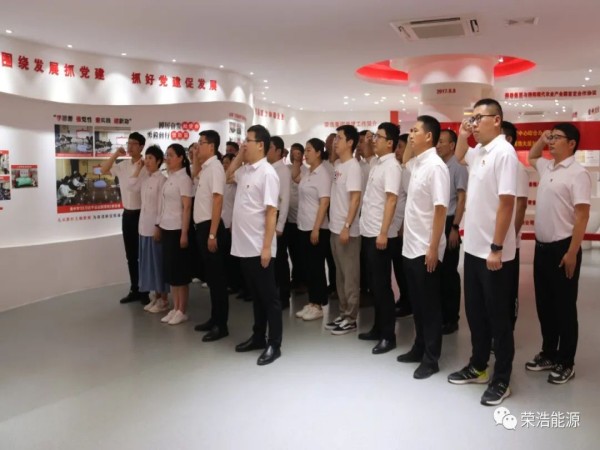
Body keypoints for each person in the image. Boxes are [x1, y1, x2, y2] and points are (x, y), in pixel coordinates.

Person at [448, 98, 518, 406]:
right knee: (475, 314)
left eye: (479, 118)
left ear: (497, 120)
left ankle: (502, 378)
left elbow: (507, 203)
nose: (474, 123)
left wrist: (497, 247)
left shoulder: (504, 153)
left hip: (494, 253)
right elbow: (458, 155)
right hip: (474, 250)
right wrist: (463, 134)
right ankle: (478, 366)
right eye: (472, 118)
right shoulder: (479, 152)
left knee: (499, 319)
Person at [527, 123, 591, 384]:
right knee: (545, 306)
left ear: (572, 144)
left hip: (563, 249)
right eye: (550, 137)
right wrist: (542, 139)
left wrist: (572, 251)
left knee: (564, 308)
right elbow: (532, 155)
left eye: (556, 138)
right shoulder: (547, 167)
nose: (551, 141)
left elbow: (582, 215)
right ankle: (549, 353)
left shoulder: (578, 173)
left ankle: (566, 362)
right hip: (541, 249)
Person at [227, 125, 282, 366]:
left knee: (269, 298)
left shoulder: (267, 173)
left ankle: (274, 343)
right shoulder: (246, 170)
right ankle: (258, 336)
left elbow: (271, 212)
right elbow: (228, 175)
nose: (243, 144)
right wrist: (240, 154)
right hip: (244, 247)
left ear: (261, 145)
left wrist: (267, 247)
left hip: (260, 247)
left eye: (247, 141)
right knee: (256, 297)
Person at [399, 116, 450, 379]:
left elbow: (441, 209)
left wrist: (433, 248)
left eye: (415, 130)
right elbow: (404, 159)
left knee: (429, 307)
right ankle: (418, 347)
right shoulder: (417, 164)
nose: (410, 135)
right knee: (417, 305)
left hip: (425, 249)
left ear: (429, 136)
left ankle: (431, 358)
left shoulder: (436, 167)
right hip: (410, 246)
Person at [358, 122, 402, 355]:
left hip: (380, 235)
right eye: (374, 136)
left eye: (379, 137)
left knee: (382, 287)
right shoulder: (377, 163)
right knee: (374, 285)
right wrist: (368, 140)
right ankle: (377, 328)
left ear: (390, 143)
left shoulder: (392, 166)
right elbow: (366, 151)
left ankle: (388, 335)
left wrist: (384, 232)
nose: (374, 140)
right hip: (369, 232)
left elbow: (391, 200)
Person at [101, 132, 149, 304]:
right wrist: (116, 154)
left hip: (142, 214)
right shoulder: (123, 165)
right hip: (127, 214)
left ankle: (145, 290)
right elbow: (103, 169)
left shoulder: (146, 166)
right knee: (131, 255)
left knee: (143, 254)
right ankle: (134, 288)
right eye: (129, 143)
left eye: (134, 143)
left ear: (141, 147)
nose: (130, 146)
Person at [191, 130, 230, 342]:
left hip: (211, 228)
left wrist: (213, 234)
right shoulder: (206, 168)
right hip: (203, 227)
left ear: (212, 146)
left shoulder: (215, 168)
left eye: (201, 142)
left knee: (218, 280)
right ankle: (214, 319)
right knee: (212, 279)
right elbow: (194, 174)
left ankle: (221, 325)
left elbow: (217, 200)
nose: (198, 146)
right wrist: (195, 157)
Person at [326, 125, 362, 335]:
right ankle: (343, 312)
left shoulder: (353, 167)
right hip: (334, 228)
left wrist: (347, 226)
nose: (335, 141)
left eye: (339, 138)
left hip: (347, 231)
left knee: (350, 277)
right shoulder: (338, 164)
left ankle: (351, 317)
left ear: (350, 142)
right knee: (339, 276)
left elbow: (355, 199)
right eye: (335, 138)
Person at [293, 138, 332, 321]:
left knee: (316, 267)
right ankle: (312, 301)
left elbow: (324, 202)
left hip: (316, 228)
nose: (306, 153)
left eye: (308, 150)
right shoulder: (308, 172)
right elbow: (295, 177)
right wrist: (297, 160)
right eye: (305, 150)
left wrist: (316, 228)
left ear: (318, 153)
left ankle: (318, 304)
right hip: (303, 226)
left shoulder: (322, 174)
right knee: (308, 267)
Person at [128, 145, 169, 313]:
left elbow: (162, 207)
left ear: (159, 161)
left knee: (158, 265)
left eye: (151, 158)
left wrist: (158, 226)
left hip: (154, 228)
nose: (147, 161)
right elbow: (131, 186)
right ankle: (156, 297)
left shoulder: (162, 180)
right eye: (146, 158)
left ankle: (163, 299)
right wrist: (138, 168)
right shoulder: (145, 178)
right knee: (149, 265)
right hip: (143, 228)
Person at [435, 129, 468, 335]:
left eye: (441, 142)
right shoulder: (438, 165)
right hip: (437, 222)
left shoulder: (458, 166)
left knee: (449, 273)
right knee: (437, 272)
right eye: (437, 142)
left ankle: (451, 318)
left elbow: (461, 198)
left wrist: (455, 227)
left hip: (450, 223)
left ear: (452, 145)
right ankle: (440, 315)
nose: (437, 145)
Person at [156, 144, 193, 326]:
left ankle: (182, 310)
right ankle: (175, 307)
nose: (167, 158)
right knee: (171, 270)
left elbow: (187, 208)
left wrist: (184, 233)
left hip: (178, 229)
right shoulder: (170, 177)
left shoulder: (184, 179)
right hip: (167, 228)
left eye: (171, 155)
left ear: (180, 158)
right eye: (167, 155)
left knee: (180, 272)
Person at [501, 121, 528, 329]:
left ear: (508, 139)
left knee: (507, 291)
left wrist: (510, 237)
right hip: (495, 241)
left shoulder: (517, 168)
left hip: (508, 245)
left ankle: (506, 330)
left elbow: (520, 206)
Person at [267, 136, 292, 310]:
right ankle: (274, 293)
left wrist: (280, 225)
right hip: (268, 217)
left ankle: (283, 296)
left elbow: (285, 199)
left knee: (280, 259)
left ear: (278, 151)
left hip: (277, 219)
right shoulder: (268, 168)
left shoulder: (282, 170)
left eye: (269, 147)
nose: (266, 150)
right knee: (272, 259)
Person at [392, 134, 412, 318]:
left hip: (402, 228)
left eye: (400, 146)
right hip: (395, 227)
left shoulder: (407, 170)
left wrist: (403, 225)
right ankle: (404, 298)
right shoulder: (398, 168)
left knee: (403, 269)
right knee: (399, 268)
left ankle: (408, 302)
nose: (397, 150)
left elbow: (408, 200)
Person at [287, 143, 309, 291]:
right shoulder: (286, 169)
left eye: (297, 153)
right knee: (293, 252)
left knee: (302, 253)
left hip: (301, 219)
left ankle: (302, 281)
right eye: (292, 153)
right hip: (288, 218)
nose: (294, 156)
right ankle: (295, 279)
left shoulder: (306, 171)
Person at [220, 154, 242, 294]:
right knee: (226, 256)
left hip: (233, 224)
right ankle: (230, 282)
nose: (225, 165)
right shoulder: (223, 181)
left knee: (234, 257)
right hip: (223, 221)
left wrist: (234, 222)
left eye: (228, 162)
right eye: (224, 163)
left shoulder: (235, 182)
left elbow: (236, 205)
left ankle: (237, 284)